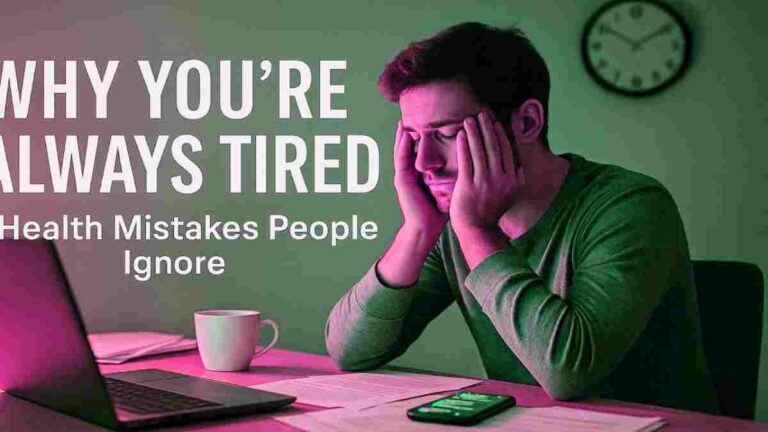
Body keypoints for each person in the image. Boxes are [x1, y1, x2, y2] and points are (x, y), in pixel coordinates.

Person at [325, 22, 718, 413]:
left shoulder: (631, 205)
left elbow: (568, 373)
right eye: (413, 137)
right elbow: (350, 352)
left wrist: (476, 229)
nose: (424, 162)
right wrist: (416, 231)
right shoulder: (449, 225)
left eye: (446, 134)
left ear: (527, 122)